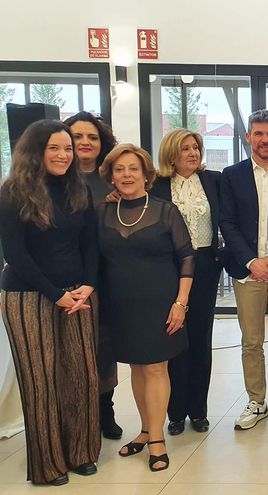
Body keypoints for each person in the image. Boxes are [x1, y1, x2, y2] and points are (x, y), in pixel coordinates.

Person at [0, 120, 100, 486]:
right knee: (41, 382)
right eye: (54, 148)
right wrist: (55, 294)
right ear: (35, 151)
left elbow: (90, 243)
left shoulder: (79, 189)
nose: (63, 155)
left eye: (68, 148)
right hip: (28, 296)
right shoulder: (12, 192)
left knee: (82, 376)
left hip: (78, 293)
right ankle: (48, 465)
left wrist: (88, 284)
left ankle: (81, 452)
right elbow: (16, 255)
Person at [97, 144, 194, 472]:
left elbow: (187, 257)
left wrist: (181, 303)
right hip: (120, 305)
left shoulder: (166, 211)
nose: (126, 175)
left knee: (155, 368)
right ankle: (144, 429)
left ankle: (157, 440)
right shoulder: (103, 212)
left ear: (145, 174)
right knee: (137, 368)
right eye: (120, 169)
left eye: (133, 169)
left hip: (161, 303)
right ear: (111, 175)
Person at [219, 110, 268, 431]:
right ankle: (256, 399)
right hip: (246, 271)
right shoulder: (231, 174)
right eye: (258, 134)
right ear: (248, 137)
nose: (265, 139)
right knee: (251, 340)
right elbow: (227, 223)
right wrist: (253, 261)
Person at [153, 129, 222, 436]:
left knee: (200, 339)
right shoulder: (156, 185)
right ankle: (176, 412)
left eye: (196, 147)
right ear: (171, 154)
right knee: (175, 339)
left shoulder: (213, 181)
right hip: (170, 268)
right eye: (185, 149)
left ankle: (199, 410)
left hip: (206, 266)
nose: (193, 153)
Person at [62, 111, 121, 440]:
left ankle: (104, 409)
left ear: (103, 143)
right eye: (77, 136)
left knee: (103, 347)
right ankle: (76, 414)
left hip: (107, 274)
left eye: (92, 137)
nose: (85, 142)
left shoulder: (113, 178)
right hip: (67, 276)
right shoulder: (56, 178)